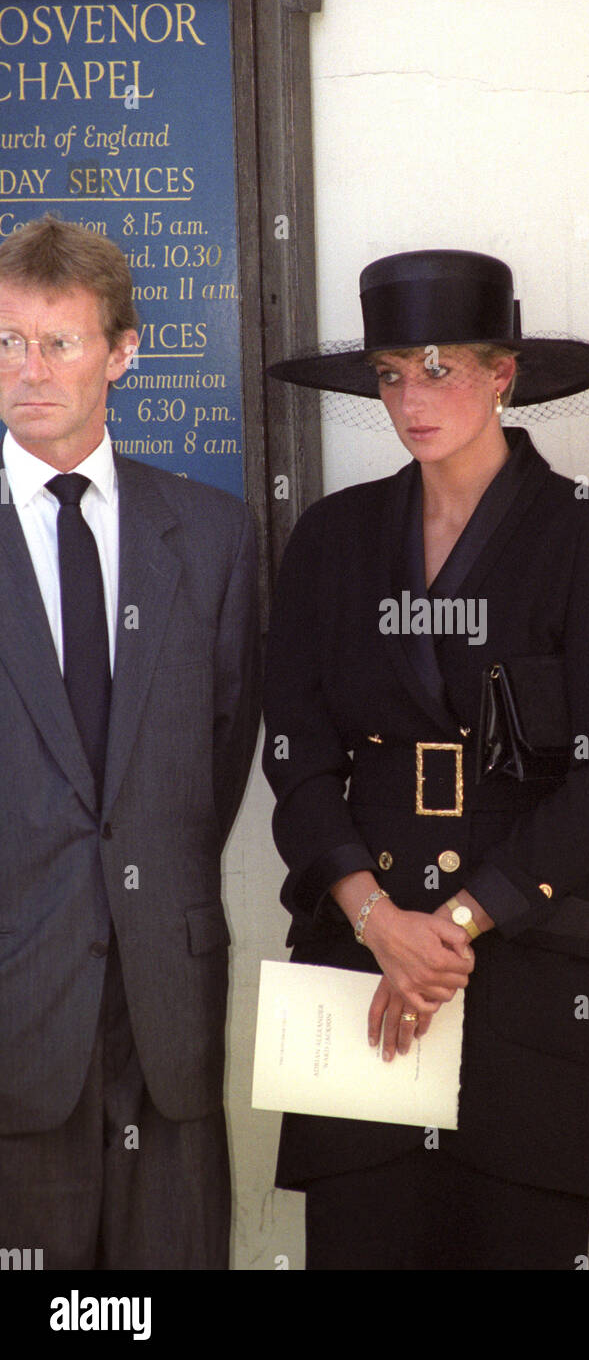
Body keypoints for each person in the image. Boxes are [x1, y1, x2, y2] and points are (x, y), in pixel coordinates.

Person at [263, 248, 589, 1270]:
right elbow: (295, 757)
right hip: (360, 960)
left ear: (502, 375)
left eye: (437, 368)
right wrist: (374, 917)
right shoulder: (330, 539)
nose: (410, 397)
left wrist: (454, 922)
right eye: (391, 372)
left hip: (526, 961)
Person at [0, 216, 260, 1269]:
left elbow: (217, 753)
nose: (28, 369)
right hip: (17, 1016)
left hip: (166, 1012)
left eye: (58, 342)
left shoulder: (210, 536)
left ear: (123, 352)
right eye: (7, 341)